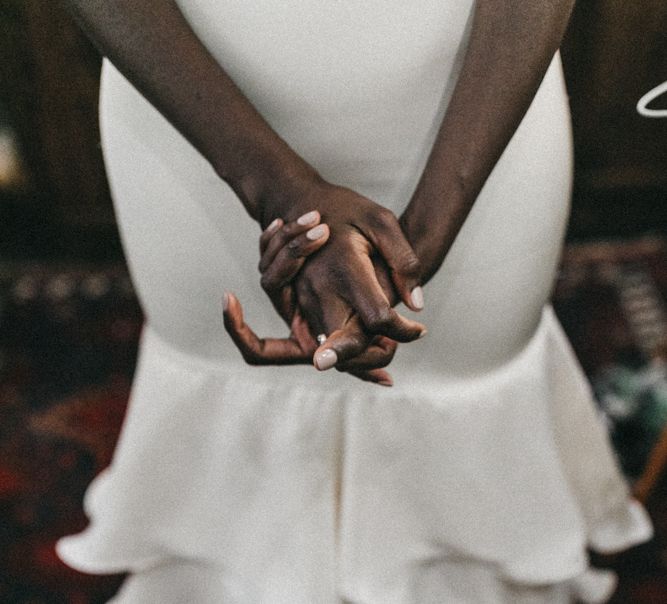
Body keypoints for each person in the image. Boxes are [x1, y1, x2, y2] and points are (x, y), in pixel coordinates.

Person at [56, 1, 652, 602]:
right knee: (220, 384)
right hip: (189, 106)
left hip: (477, 107)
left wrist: (421, 238)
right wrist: (275, 188)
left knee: (464, 389)